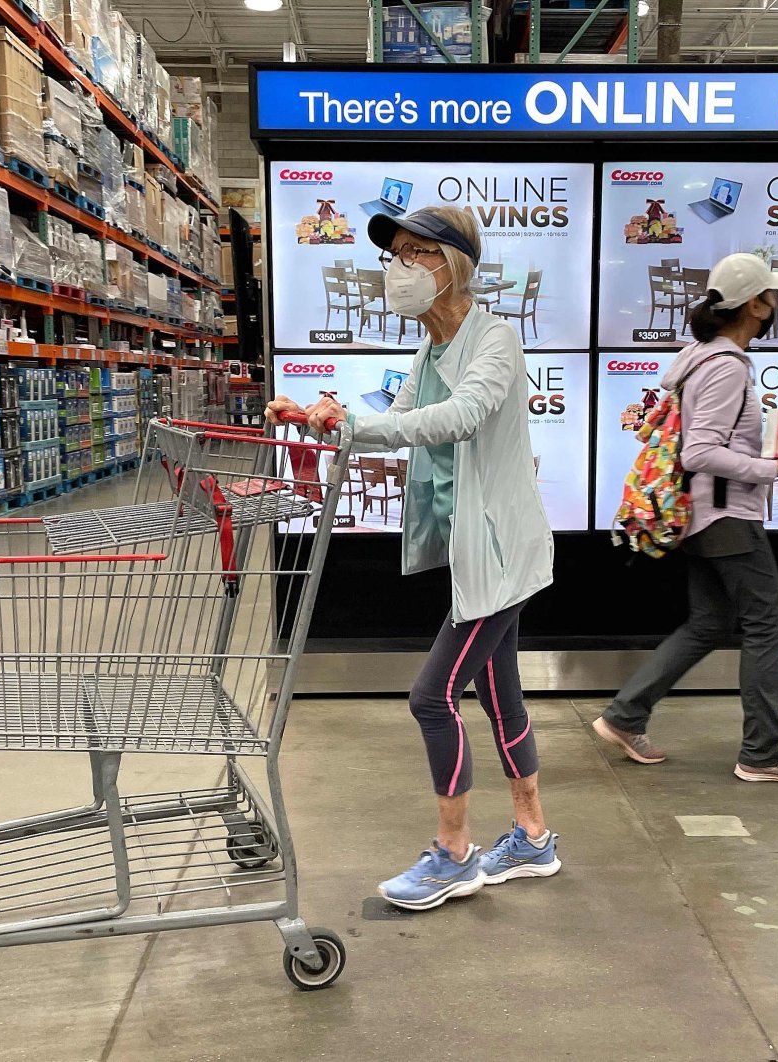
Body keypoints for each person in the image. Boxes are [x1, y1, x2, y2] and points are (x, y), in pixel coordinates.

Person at [266, 206, 559, 911]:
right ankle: (532, 835)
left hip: (499, 550)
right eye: (394, 253)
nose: (398, 267)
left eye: (415, 253)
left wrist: (358, 422)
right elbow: (399, 422)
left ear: (452, 264)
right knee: (497, 692)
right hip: (477, 551)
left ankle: (455, 854)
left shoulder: (496, 340)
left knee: (432, 696)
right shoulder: (430, 352)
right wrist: (323, 417)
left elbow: (458, 418)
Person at [593, 252, 778, 785]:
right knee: (768, 625)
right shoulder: (725, 367)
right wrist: (773, 466)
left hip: (697, 514)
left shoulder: (700, 357)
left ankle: (625, 715)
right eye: (773, 295)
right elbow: (700, 451)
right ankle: (764, 753)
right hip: (726, 516)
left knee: (709, 623)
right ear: (756, 306)